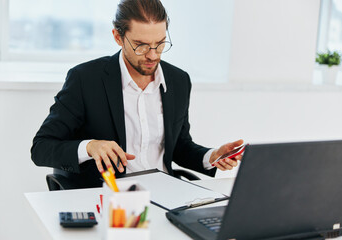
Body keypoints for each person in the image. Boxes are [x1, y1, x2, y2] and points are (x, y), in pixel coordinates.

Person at [31, 0, 244, 188]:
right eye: (141, 46)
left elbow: (179, 147)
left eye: (160, 44)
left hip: (166, 192)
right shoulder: (86, 79)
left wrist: (212, 156)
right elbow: (41, 148)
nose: (152, 55)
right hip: (110, 195)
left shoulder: (178, 80)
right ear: (118, 37)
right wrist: (89, 146)